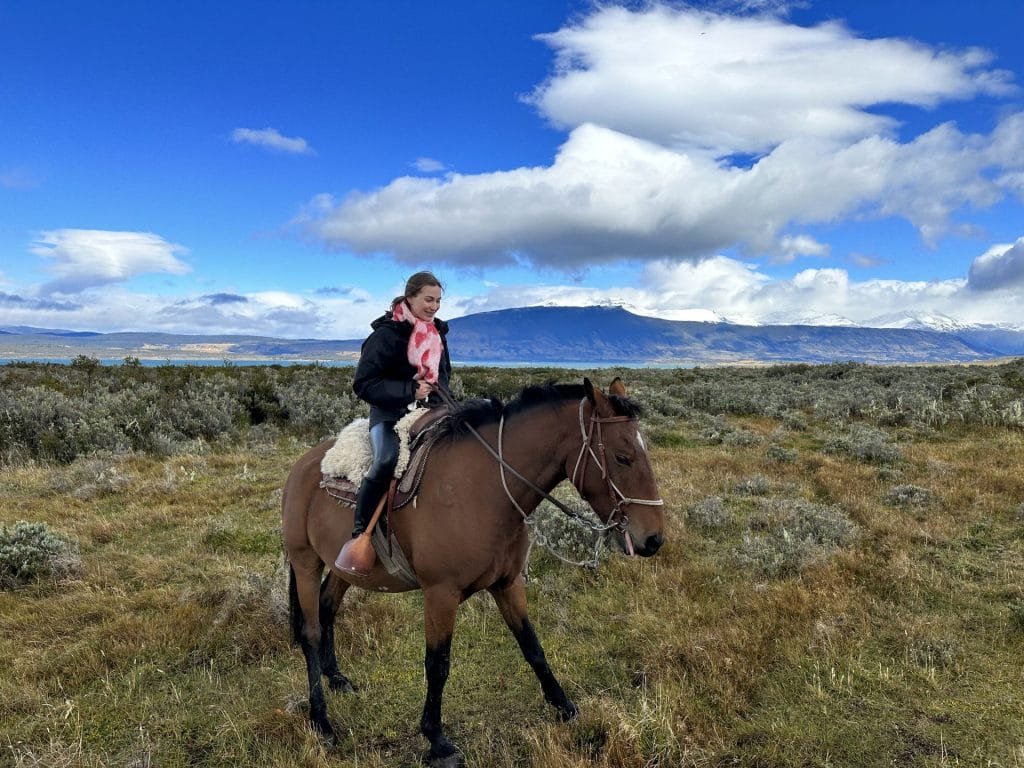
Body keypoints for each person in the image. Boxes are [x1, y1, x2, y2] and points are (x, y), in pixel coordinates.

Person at [334, 270, 452, 576]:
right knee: (386, 459)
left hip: (429, 412)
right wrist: (409, 391)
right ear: (410, 297)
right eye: (428, 299)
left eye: (438, 300)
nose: (434, 306)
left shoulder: (436, 334)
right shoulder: (386, 334)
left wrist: (443, 402)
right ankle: (361, 531)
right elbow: (364, 383)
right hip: (388, 414)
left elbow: (444, 378)